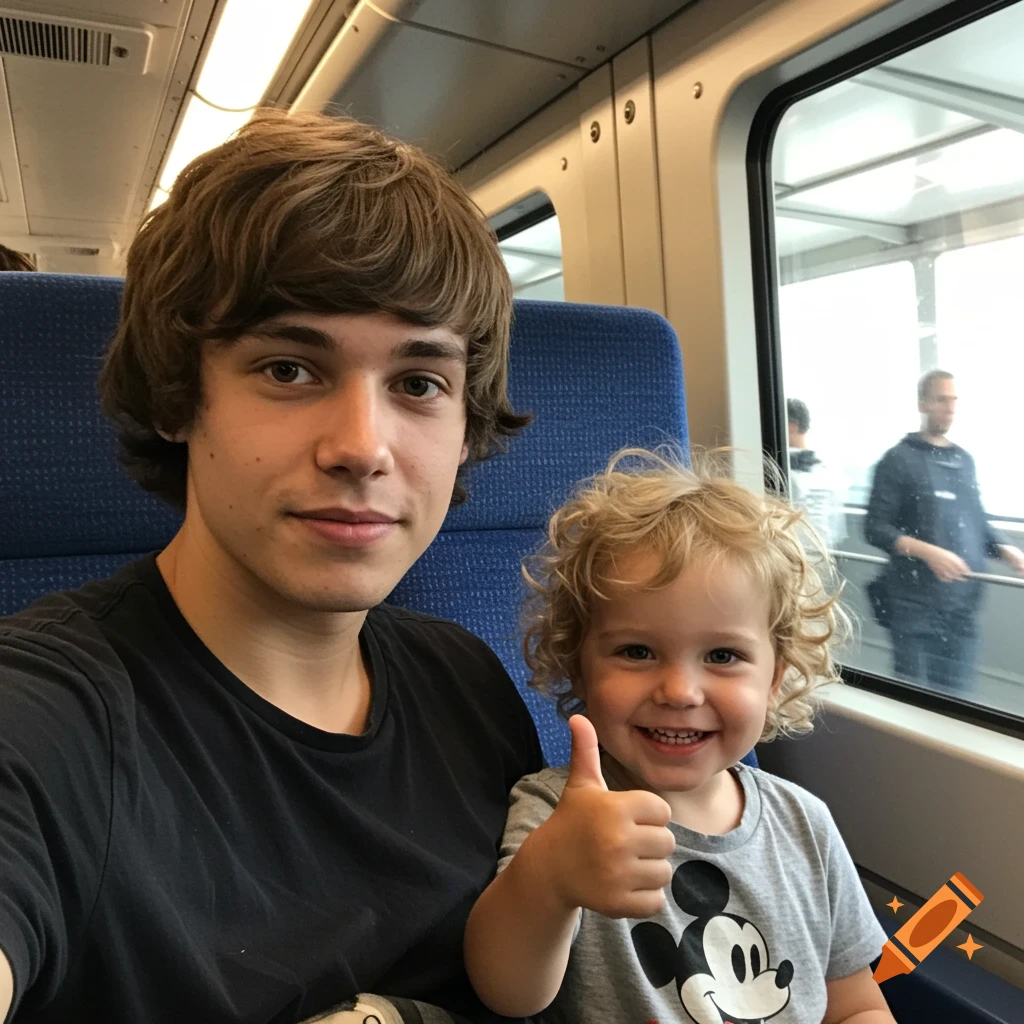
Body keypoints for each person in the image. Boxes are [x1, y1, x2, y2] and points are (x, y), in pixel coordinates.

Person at [0, 111, 545, 1023]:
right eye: (290, 368)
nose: (362, 448)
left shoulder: (469, 684)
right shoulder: (55, 714)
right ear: (181, 396)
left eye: (418, 383)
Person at [464, 449, 893, 1024]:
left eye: (723, 655)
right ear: (577, 667)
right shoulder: (555, 816)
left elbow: (855, 1006)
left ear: (774, 678)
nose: (680, 690)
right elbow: (508, 992)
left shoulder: (805, 823)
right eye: (637, 652)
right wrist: (550, 877)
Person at [864, 370, 1024, 695]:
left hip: (962, 610)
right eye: (941, 399)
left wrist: (1008, 551)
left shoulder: (964, 461)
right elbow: (876, 528)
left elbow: (978, 523)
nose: (950, 408)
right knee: (915, 701)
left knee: (958, 701)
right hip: (913, 609)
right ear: (923, 403)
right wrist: (929, 551)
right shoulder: (897, 460)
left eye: (953, 400)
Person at [786, 397, 846, 549]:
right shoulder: (827, 468)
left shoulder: (783, 465)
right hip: (824, 549)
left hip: (792, 551)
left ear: (791, 426)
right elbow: (836, 525)